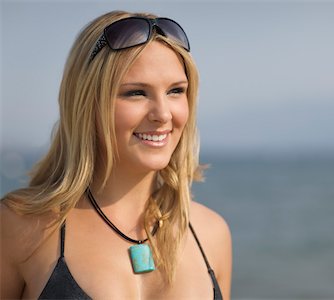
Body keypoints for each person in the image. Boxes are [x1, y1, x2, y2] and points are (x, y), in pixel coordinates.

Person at [1, 10, 232, 299]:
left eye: (176, 91)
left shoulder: (211, 234)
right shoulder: (20, 227)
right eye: (136, 93)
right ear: (87, 104)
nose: (163, 114)